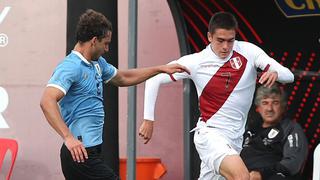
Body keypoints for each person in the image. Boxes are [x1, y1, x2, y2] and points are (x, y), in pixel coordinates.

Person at [138, 12, 294, 180]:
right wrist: (148, 119)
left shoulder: (249, 52)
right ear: (209, 37)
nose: (226, 46)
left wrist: (275, 72)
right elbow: (154, 79)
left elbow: (289, 76)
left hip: (234, 140)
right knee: (241, 176)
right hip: (210, 135)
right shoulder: (195, 62)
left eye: (230, 40)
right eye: (220, 40)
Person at [40, 9, 189, 180]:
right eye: (105, 43)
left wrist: (159, 69)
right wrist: (68, 137)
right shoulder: (70, 67)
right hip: (80, 155)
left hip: (92, 151)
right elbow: (47, 100)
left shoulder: (97, 64)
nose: (107, 48)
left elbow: (123, 77)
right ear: (94, 41)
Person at [240, 84, 308, 180]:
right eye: (265, 103)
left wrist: (262, 174)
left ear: (283, 106)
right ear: (258, 108)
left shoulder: (290, 128)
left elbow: (293, 163)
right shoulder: (249, 128)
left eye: (275, 103)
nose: (269, 109)